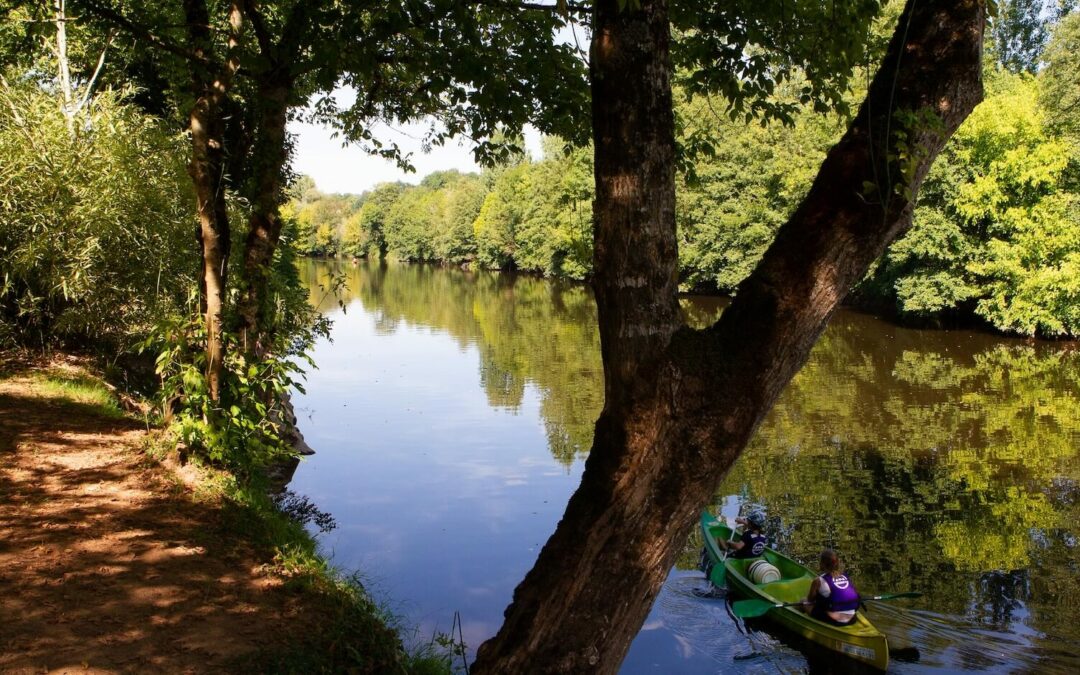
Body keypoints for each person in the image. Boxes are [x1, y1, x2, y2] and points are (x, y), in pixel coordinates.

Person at [803, 548, 860, 625]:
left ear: (822, 564)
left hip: (834, 620)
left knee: (803, 601)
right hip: (853, 619)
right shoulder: (845, 576)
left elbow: (810, 600)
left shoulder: (818, 581)